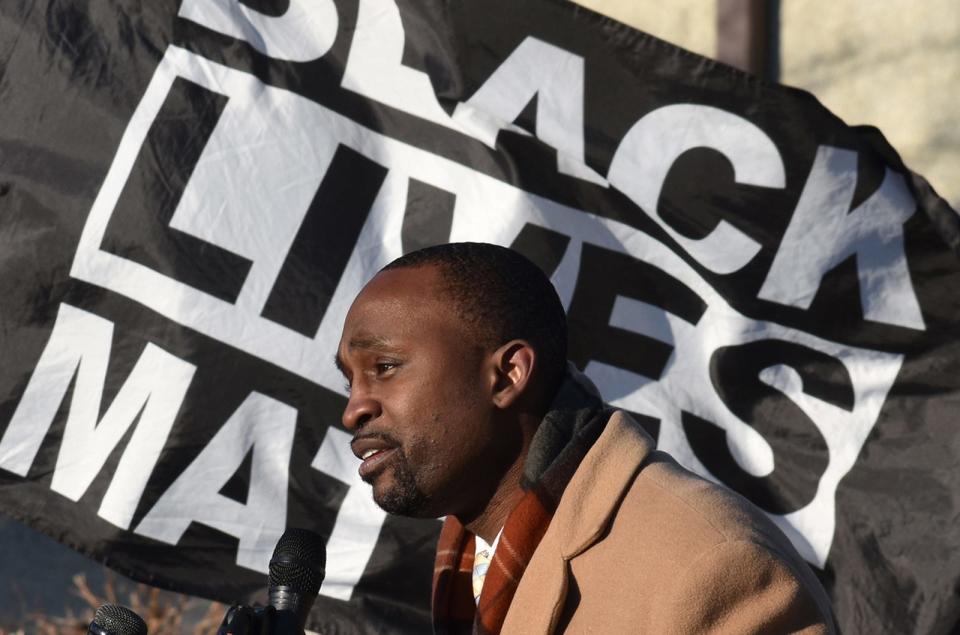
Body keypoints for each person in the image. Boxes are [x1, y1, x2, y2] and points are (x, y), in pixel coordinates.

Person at [335, 242, 835, 634]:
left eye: (385, 367)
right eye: (349, 380)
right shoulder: (467, 567)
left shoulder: (711, 565)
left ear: (508, 375)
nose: (354, 409)